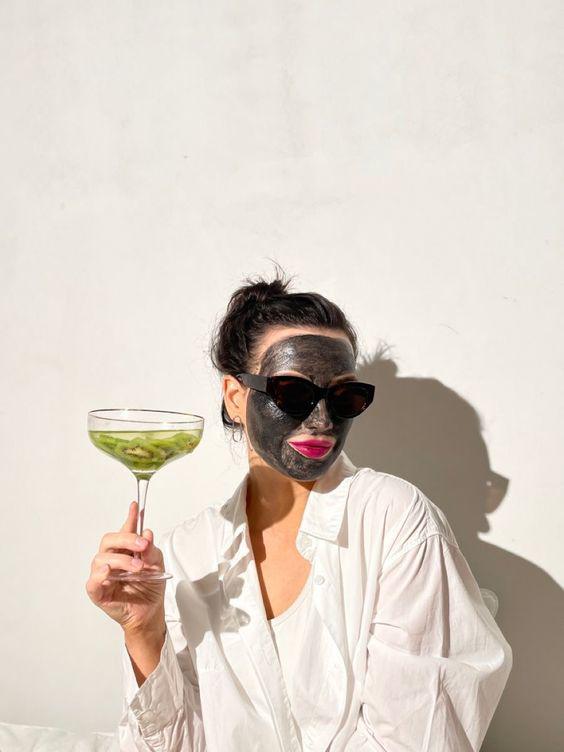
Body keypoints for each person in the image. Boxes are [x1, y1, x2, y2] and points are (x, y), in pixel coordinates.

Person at [86, 266, 513, 751]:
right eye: (293, 392)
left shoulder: (393, 521)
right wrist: (144, 632)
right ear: (235, 397)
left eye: (345, 396)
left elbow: (421, 735)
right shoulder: (188, 551)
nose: (322, 419)